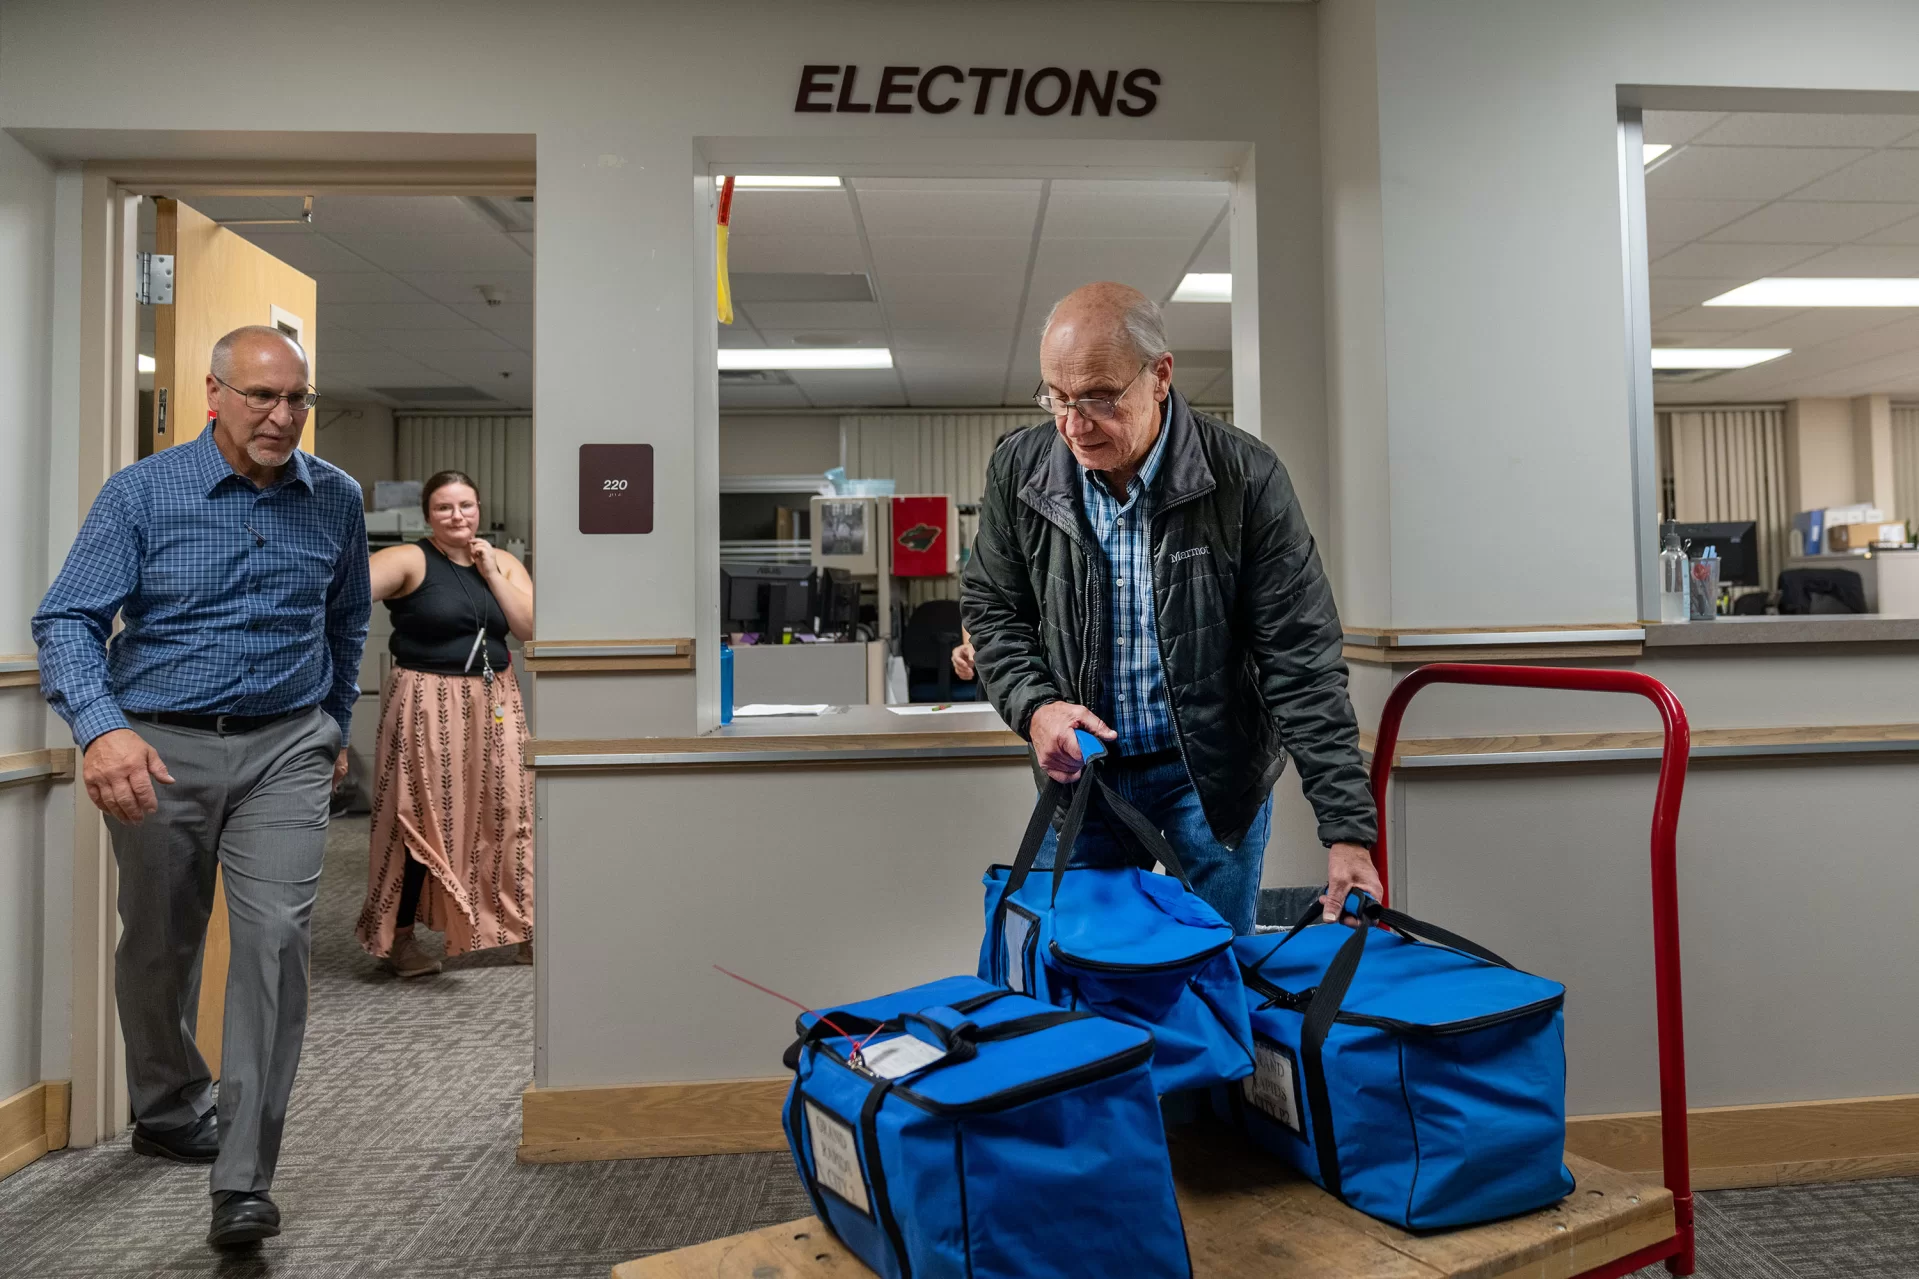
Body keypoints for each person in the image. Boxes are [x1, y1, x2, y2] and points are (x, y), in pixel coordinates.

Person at [33, 326, 368, 1248]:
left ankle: (244, 1182)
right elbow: (66, 617)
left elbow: (347, 620)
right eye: (261, 396)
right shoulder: (142, 494)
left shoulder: (334, 499)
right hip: (160, 746)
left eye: (296, 397)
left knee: (272, 944)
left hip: (285, 748)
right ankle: (169, 1099)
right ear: (212, 393)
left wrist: (332, 719)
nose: (282, 415)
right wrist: (102, 729)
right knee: (161, 942)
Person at [961, 282, 1380, 935]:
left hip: (1210, 775)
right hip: (1085, 773)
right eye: (1056, 397)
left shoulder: (1244, 477)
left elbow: (1300, 660)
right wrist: (1036, 706)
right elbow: (991, 606)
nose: (1073, 424)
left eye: (1098, 397)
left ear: (1159, 376)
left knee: (1210, 972)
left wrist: (1347, 828)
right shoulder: (1019, 468)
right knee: (1082, 973)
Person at [354, 470, 534, 977]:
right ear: (427, 515)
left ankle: (519, 928)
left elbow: (529, 627)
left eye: (466, 506)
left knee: (509, 812)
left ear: (479, 508)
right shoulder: (410, 558)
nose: (458, 516)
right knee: (418, 816)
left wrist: (491, 572)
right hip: (426, 698)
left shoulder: (501, 563)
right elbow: (342, 595)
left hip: (495, 697)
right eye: (444, 508)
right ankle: (401, 940)